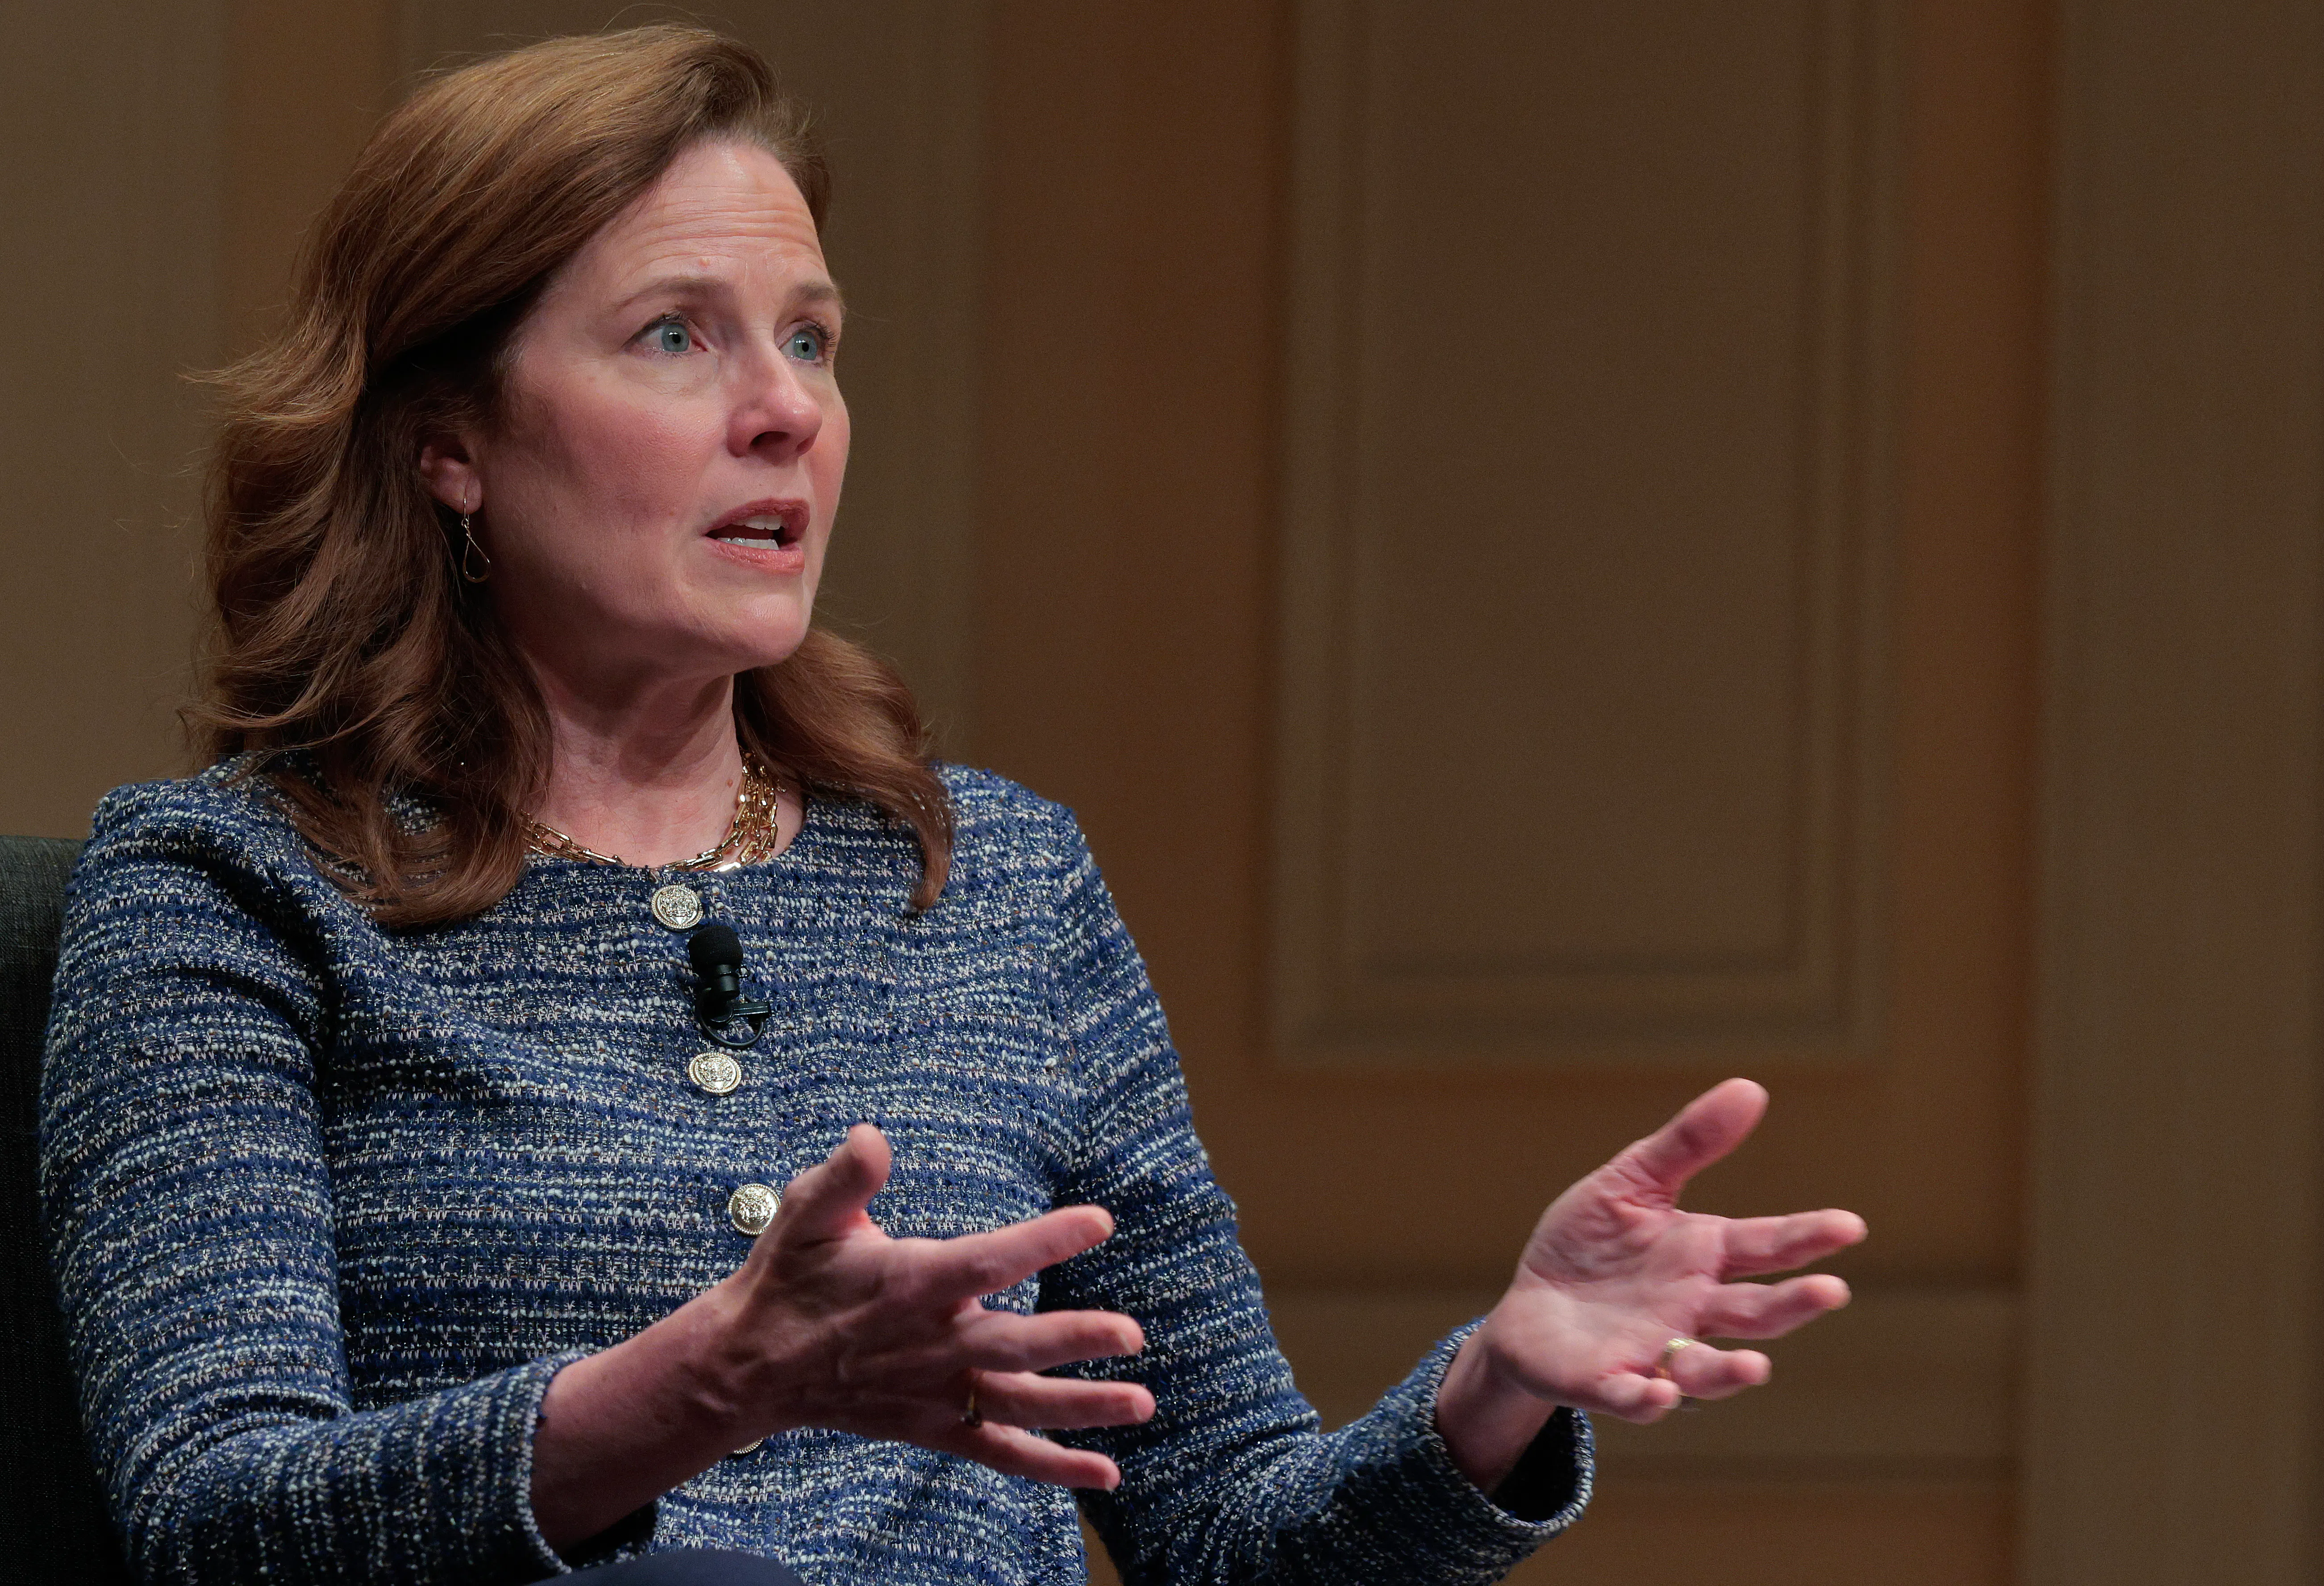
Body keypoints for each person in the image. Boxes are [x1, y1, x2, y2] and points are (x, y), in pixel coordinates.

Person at [37, 25, 1866, 1586]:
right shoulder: (228, 885)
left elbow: (1228, 1534)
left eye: (810, 340)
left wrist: (1493, 1395)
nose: (785, 415)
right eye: (677, 338)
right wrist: (693, 1390)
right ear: (448, 442)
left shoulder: (990, 878)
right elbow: (218, 1518)